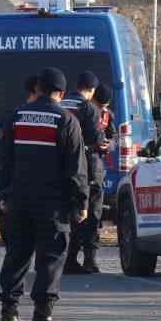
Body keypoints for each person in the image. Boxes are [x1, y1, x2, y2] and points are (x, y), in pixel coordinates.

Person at [0, 67, 88, 321]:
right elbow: (76, 167)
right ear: (61, 92)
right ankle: (42, 317)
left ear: (37, 89)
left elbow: (3, 159)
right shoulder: (66, 120)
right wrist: (81, 202)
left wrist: (5, 194)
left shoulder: (15, 117)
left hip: (18, 200)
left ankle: (9, 315)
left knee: (16, 255)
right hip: (52, 204)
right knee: (51, 258)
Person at [62, 71, 105, 275]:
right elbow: (97, 139)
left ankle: (67, 259)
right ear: (92, 90)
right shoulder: (89, 108)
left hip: (61, 168)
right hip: (86, 167)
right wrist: (104, 143)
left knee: (65, 213)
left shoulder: (60, 104)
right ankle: (89, 260)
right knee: (91, 212)